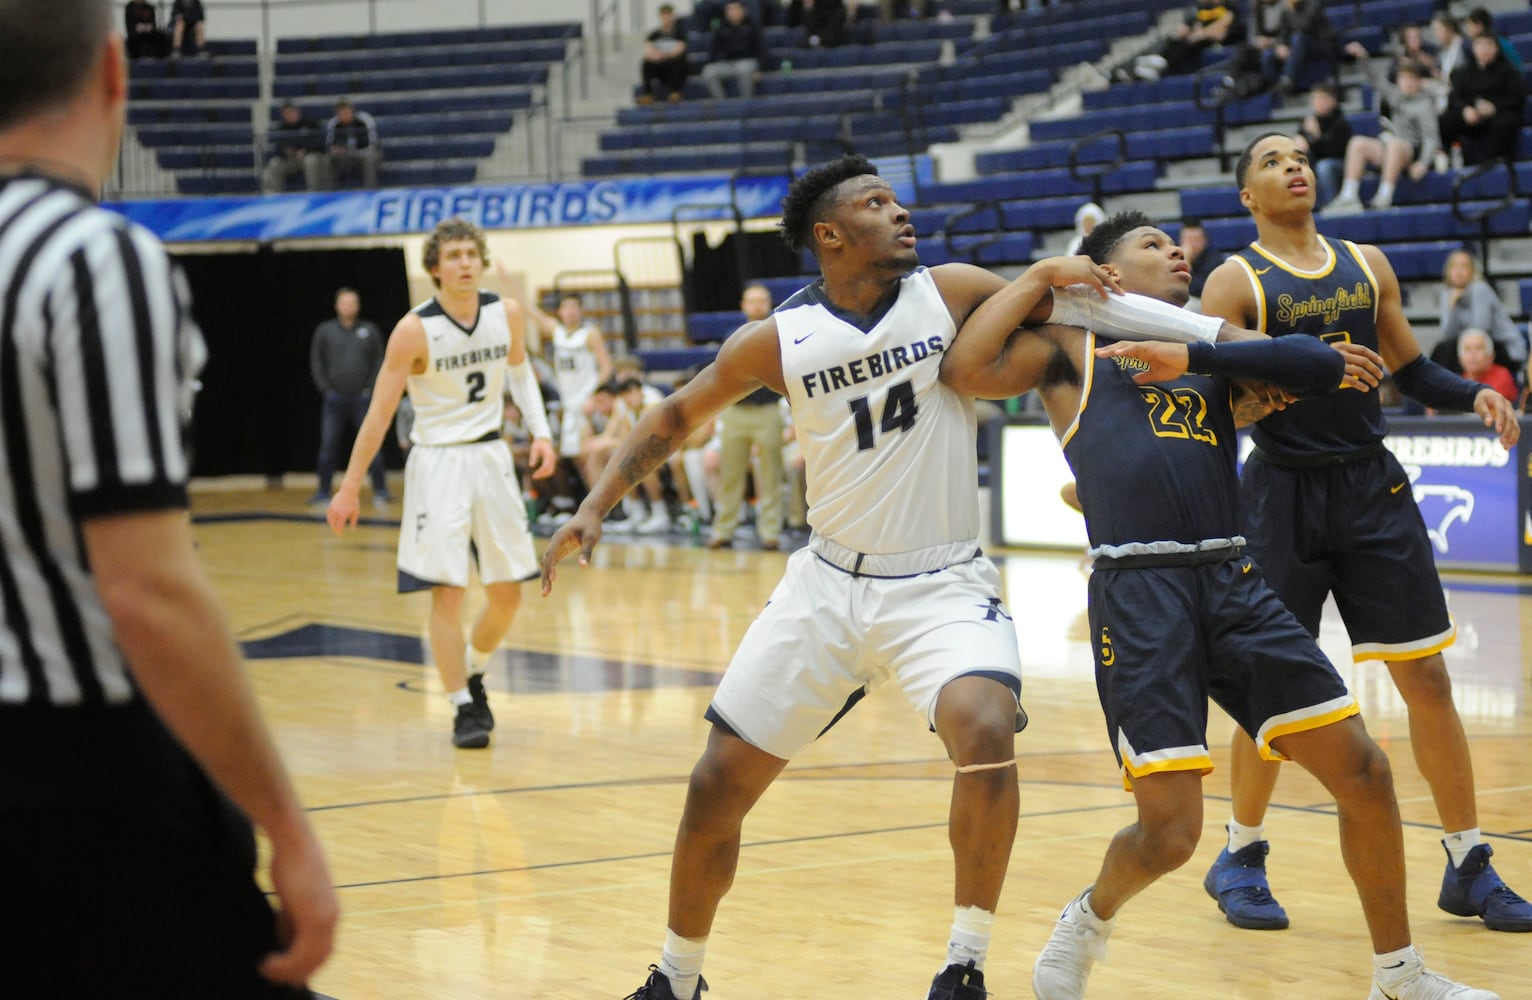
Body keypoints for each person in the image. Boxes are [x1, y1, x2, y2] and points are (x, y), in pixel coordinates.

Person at [540, 153, 1245, 1000]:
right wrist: (594, 505)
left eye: (898, 199)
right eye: (878, 204)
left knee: (984, 727)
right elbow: (676, 413)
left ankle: (964, 964)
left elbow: (1091, 309)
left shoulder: (947, 290)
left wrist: (1253, 351)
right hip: (827, 582)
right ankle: (676, 978)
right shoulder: (778, 338)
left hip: (942, 583)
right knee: (714, 783)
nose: (901, 213)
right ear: (830, 235)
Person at [940, 208, 1500, 1000]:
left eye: (1177, 244)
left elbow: (1311, 360)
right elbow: (964, 369)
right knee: (1171, 833)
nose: (1176, 252)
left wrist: (1193, 353)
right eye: (1152, 245)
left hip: (1233, 578)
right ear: (1105, 270)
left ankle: (1399, 976)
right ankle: (1087, 920)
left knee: (1365, 772)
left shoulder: (1207, 345)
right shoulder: (1067, 349)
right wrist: (1038, 277)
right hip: (1141, 591)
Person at [0, 1, 337, 995]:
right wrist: (284, 821)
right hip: (78, 768)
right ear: (115, 72)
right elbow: (145, 591)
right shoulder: (91, 258)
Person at [1197, 132, 1530, 937]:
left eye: (1302, 155)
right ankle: (1240, 852)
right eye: (1272, 160)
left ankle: (1469, 860)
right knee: (1272, 695)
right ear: (1248, 195)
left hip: (1369, 485)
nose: (1294, 166)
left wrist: (1473, 397)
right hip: (1280, 491)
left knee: (1427, 679)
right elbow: (1210, 396)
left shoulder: (1367, 263)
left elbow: (1411, 370)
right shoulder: (1233, 280)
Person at [326, 218, 557, 750]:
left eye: (471, 254)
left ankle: (474, 672)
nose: (465, 263)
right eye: (453, 255)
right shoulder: (413, 330)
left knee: (506, 595)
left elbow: (520, 373)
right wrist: (349, 486)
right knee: (447, 594)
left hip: (492, 457)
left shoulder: (508, 313)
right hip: (437, 465)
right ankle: (460, 708)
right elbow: (380, 414)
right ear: (435, 268)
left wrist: (541, 434)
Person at [707, 283, 785, 550]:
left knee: (771, 473)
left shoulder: (781, 330)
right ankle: (723, 530)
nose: (756, 305)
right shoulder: (732, 334)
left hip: (768, 410)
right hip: (735, 411)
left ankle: (770, 531)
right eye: (751, 301)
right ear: (743, 305)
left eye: (761, 300)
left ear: (769, 304)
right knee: (731, 472)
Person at [529, 291, 613, 518]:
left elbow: (606, 367)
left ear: (581, 310)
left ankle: (603, 508)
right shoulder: (557, 333)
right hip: (569, 404)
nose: (571, 312)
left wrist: (593, 395)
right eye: (566, 308)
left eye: (575, 307)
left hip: (586, 404)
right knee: (575, 457)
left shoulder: (589, 334)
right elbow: (532, 313)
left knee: (587, 456)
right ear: (560, 312)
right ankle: (592, 506)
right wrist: (506, 281)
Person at [1323, 52, 1438, 213]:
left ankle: (1384, 196)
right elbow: (1376, 81)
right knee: (1358, 143)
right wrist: (1363, 58)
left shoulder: (1424, 104)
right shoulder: (1396, 96)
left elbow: (1431, 138)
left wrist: (1423, 164)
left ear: (1418, 81)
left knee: (1395, 144)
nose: (1407, 83)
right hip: (1392, 148)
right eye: (1404, 78)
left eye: (1411, 78)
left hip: (1412, 150)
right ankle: (1349, 196)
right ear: (1398, 81)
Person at [308, 287, 390, 505]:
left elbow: (379, 360)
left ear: (358, 305)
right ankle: (323, 492)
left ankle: (381, 490)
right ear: (337, 306)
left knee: (372, 444)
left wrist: (370, 388)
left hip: (362, 399)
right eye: (344, 303)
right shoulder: (325, 331)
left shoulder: (369, 330)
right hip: (334, 399)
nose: (349, 307)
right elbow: (316, 360)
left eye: (353, 303)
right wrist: (325, 388)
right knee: (328, 445)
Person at [1432, 249, 1527, 375]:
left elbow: (1480, 330)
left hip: (1503, 348)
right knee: (1443, 348)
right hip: (1476, 347)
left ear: (1472, 271)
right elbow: (1448, 334)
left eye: (1464, 266)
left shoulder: (1480, 289)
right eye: (1454, 266)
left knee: (1456, 350)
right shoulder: (1447, 295)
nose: (1458, 271)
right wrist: (1451, 307)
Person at [1439, 32, 1526, 167]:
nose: (1484, 49)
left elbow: (1518, 98)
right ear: (1473, 48)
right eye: (1480, 44)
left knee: (1507, 122)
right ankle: (1447, 160)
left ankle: (1492, 164)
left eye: (1489, 44)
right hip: (1472, 116)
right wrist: (1465, 109)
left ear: (1496, 48)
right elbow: (1455, 97)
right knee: (1446, 120)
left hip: (1498, 116)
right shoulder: (1464, 72)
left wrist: (1494, 107)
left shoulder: (1508, 71)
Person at [1293, 82, 1350, 209]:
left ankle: (1333, 203)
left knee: (1325, 167)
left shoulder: (1341, 123)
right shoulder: (1308, 122)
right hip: (1312, 161)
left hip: (1339, 163)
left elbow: (1334, 151)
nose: (1319, 102)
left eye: (1323, 98)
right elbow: (1301, 142)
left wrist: (1316, 136)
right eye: (1316, 99)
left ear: (1333, 101)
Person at [700, 1, 767, 101]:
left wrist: (760, 69)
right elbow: (713, 50)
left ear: (743, 11)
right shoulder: (721, 28)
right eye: (730, 9)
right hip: (727, 63)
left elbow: (762, 49)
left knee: (743, 69)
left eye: (736, 9)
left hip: (747, 61)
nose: (733, 12)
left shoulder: (753, 26)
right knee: (708, 71)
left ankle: (747, 103)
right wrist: (713, 62)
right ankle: (722, 104)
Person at [262, 101, 324, 194]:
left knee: (311, 161)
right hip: (290, 160)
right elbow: (278, 148)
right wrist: (286, 152)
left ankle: (314, 192)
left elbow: (320, 142)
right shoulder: (281, 128)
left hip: (308, 157)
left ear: (297, 111)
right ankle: (273, 194)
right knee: (274, 163)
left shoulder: (310, 124)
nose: (289, 115)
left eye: (291, 112)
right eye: (286, 113)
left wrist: (306, 150)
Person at [1448, 329, 1518, 405]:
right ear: (1460, 358)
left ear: (1491, 356)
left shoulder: (1502, 376)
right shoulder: (1457, 381)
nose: (1472, 354)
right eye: (1467, 349)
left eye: (1478, 348)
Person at [325, 98, 380, 189]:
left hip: (365, 153)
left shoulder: (364, 120)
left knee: (370, 158)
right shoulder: (334, 123)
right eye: (341, 113)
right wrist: (336, 150)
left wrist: (354, 150)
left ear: (352, 110)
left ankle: (370, 189)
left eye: (346, 111)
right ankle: (330, 191)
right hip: (346, 156)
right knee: (327, 159)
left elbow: (373, 144)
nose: (344, 115)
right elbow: (329, 145)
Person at [640, 3, 689, 103]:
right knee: (646, 63)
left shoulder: (680, 33)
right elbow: (648, 51)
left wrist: (663, 55)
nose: (666, 17)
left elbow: (680, 49)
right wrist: (658, 56)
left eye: (669, 14)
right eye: (664, 14)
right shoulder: (653, 35)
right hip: (660, 67)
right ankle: (648, 94)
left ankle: (675, 93)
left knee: (680, 61)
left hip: (674, 66)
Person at [1179, 217, 1222, 302]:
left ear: (1204, 240)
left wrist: (1186, 263)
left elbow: (1199, 291)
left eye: (1196, 240)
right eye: (1188, 240)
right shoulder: (1174, 258)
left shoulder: (1214, 260)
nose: (1192, 245)